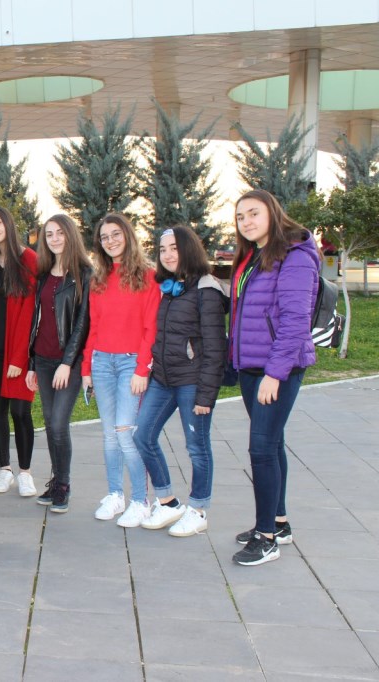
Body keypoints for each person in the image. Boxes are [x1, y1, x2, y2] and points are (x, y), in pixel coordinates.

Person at [229, 190, 320, 566]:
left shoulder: (294, 255)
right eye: (240, 217)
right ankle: (278, 523)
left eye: (254, 213)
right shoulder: (253, 256)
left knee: (261, 448)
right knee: (273, 442)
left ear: (273, 213)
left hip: (276, 369)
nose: (246, 221)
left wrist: (275, 374)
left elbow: (296, 320)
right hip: (252, 366)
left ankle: (265, 538)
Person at [134, 226, 227, 536]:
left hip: (192, 381)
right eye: (163, 250)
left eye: (174, 248)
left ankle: (198, 510)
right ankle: (168, 502)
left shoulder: (206, 289)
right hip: (163, 378)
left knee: (197, 447)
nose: (168, 255)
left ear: (189, 249)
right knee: (142, 435)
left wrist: (205, 396)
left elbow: (215, 348)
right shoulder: (168, 288)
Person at [82, 214, 159, 527]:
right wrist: (86, 368)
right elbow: (93, 327)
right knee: (109, 435)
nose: (110, 241)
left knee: (126, 433)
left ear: (128, 235)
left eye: (116, 234)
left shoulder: (148, 276)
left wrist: (142, 369)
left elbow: (150, 328)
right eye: (104, 237)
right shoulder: (98, 279)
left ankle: (141, 500)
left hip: (130, 363)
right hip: (102, 362)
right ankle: (115, 494)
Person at [25, 214, 93, 514]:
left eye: (59, 233)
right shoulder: (43, 274)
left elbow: (82, 324)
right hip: (42, 359)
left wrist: (68, 362)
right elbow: (36, 322)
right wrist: (31, 363)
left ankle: (63, 484)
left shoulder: (84, 274)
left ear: (70, 235)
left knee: (58, 423)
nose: (54, 239)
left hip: (69, 361)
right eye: (49, 234)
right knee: (50, 423)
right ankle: (55, 482)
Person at [0, 207, 39, 496]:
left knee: (20, 410)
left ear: (8, 224)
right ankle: (4, 469)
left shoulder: (28, 259)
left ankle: (25, 472)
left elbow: (29, 312)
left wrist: (19, 358)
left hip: (18, 349)